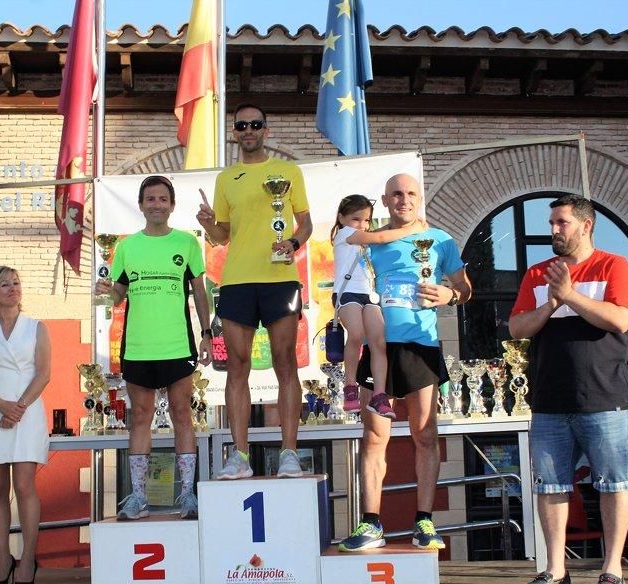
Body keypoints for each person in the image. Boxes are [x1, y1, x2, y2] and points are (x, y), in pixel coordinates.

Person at [339, 173, 472, 552]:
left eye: (411, 193)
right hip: (378, 348)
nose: (404, 199)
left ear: (420, 198)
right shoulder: (368, 240)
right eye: (396, 194)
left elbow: (465, 288)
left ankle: (424, 522)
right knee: (374, 438)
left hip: (421, 346)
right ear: (385, 200)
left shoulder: (440, 240)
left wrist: (449, 293)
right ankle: (370, 524)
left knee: (425, 435)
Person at [509, 195, 628, 584]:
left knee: (614, 482)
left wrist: (572, 297)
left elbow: (620, 320)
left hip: (605, 398)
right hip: (549, 400)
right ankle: (555, 568)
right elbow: (517, 329)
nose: (553, 230)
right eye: (551, 223)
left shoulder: (614, 265)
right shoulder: (537, 274)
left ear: (586, 225)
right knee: (551, 486)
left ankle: (611, 567)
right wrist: (550, 304)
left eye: (562, 222)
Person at [196, 102, 312, 480]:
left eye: (255, 124)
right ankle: (240, 456)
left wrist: (292, 245)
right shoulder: (226, 178)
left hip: (279, 279)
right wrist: (208, 224)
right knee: (237, 367)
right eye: (241, 124)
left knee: (285, 362)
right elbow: (222, 236)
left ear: (267, 129)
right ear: (234, 132)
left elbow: (305, 223)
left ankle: (290, 454)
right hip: (237, 280)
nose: (248, 130)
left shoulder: (288, 171)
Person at [96, 175, 211, 520]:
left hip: (177, 344)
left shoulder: (187, 243)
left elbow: (200, 292)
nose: (156, 204)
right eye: (150, 199)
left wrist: (206, 333)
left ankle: (187, 495)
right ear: (141, 204)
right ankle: (138, 498)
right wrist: (107, 291)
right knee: (142, 418)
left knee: (181, 416)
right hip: (139, 347)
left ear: (172, 205)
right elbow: (118, 294)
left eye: (163, 199)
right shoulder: (126, 247)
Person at [0, 266, 52, 584]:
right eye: (5, 284)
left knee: (25, 486)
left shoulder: (37, 328)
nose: (13, 288)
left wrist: (17, 408)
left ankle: (28, 558)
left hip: (28, 412)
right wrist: (1, 405)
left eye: (17, 283)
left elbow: (44, 373)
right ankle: (4, 559)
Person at [330, 194, 428, 418]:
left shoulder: (362, 236)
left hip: (368, 294)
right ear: (341, 217)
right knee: (356, 333)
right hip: (347, 293)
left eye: (366, 221)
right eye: (357, 219)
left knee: (378, 341)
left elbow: (379, 234)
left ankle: (380, 394)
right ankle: (350, 387)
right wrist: (411, 229)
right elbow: (382, 237)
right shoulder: (345, 234)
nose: (363, 225)